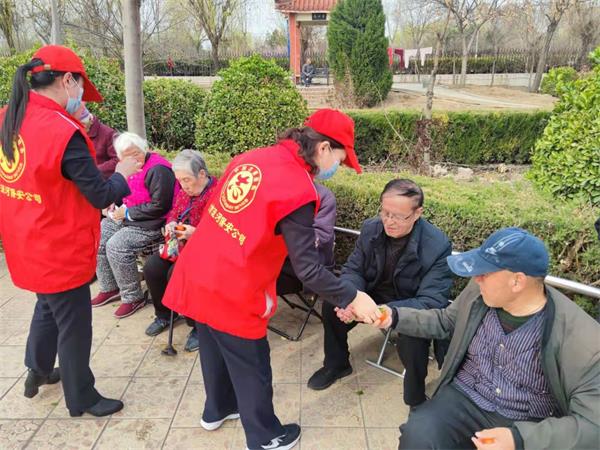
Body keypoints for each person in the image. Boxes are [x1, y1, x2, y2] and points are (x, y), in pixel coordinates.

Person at [162, 108, 382, 450]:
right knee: (252, 364)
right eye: (340, 159)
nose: (338, 168)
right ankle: (266, 437)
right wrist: (353, 297)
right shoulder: (298, 189)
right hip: (232, 285)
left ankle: (218, 409)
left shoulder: (253, 157)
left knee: (213, 346)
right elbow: (308, 269)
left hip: (198, 269)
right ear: (324, 148)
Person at [0, 45, 141, 417]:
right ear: (66, 80)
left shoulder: (8, 117)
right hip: (58, 244)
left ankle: (38, 369)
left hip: (25, 237)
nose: (81, 97)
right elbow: (100, 195)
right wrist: (123, 173)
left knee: (47, 306)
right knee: (74, 324)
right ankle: (82, 398)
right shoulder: (62, 132)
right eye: (79, 87)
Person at [368, 227, 600, 450]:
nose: (476, 278)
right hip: (464, 396)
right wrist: (394, 316)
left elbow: (593, 425)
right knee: (418, 435)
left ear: (517, 281)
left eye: (485, 273)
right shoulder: (479, 293)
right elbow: (445, 321)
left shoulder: (583, 340)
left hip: (529, 420)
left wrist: (521, 439)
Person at [310, 179, 453, 408]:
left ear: (417, 213)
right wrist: (352, 299)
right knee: (332, 304)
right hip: (373, 294)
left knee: (414, 332)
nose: (389, 221)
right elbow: (353, 269)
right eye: (385, 212)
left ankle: (415, 396)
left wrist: (385, 312)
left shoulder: (437, 245)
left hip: (409, 304)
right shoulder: (371, 228)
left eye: (399, 216)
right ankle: (336, 364)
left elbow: (431, 301)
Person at [91, 132, 178, 319]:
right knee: (98, 234)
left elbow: (160, 206)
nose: (134, 159)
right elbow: (120, 190)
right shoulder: (125, 168)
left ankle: (132, 297)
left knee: (117, 245)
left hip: (152, 223)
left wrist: (127, 213)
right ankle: (109, 287)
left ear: (144, 148)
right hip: (129, 217)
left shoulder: (158, 169)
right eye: (127, 156)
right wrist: (112, 203)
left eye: (137, 153)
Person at [143, 150, 218, 352]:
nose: (183, 186)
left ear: (201, 174)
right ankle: (164, 314)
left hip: (208, 251)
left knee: (177, 273)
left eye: (187, 180)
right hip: (180, 247)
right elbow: (174, 213)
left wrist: (196, 233)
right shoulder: (185, 192)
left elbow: (221, 230)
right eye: (180, 181)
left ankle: (198, 326)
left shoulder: (218, 193)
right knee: (152, 268)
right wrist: (171, 224)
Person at [275, 183, 337, 296]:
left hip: (307, 264)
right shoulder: (279, 190)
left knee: (260, 280)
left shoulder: (323, 196)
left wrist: (290, 239)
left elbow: (322, 236)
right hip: (279, 259)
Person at [75, 103, 119, 179]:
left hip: (102, 180)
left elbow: (118, 159)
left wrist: (94, 170)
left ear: (90, 120)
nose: (80, 129)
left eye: (82, 126)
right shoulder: (75, 133)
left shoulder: (108, 133)